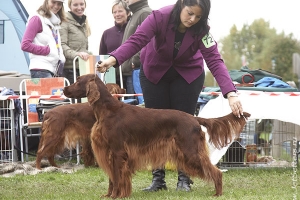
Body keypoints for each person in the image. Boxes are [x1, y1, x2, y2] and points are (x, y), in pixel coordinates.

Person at [97, 0, 244, 192]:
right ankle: (158, 180)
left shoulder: (202, 29)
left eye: (198, 16)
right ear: (181, 4)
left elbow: (214, 59)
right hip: (155, 72)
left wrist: (231, 93)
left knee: (184, 126)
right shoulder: (159, 17)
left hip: (188, 75)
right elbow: (137, 40)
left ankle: (185, 179)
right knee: (154, 126)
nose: (193, 19)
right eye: (190, 13)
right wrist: (113, 59)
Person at [21, 0, 66, 78]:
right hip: (40, 70)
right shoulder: (37, 18)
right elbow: (25, 45)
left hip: (52, 70)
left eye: (59, 4)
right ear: (47, 1)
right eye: (53, 2)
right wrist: (47, 50)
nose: (56, 6)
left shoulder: (54, 22)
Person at [119, 0, 152, 100]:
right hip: (132, 71)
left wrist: (135, 60)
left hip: (139, 69)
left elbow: (149, 40)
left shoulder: (145, 13)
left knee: (143, 105)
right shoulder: (135, 14)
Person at [99, 0, 131, 88]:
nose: (117, 14)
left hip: (130, 74)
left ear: (128, 13)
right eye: (114, 12)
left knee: (132, 100)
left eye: (120, 11)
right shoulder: (107, 33)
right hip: (112, 76)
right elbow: (102, 55)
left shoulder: (134, 30)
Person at [60, 0, 91, 84]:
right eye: (75, 5)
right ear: (70, 6)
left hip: (82, 68)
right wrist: (77, 54)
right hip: (69, 69)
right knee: (74, 97)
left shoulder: (84, 23)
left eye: (81, 4)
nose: (79, 7)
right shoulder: (64, 21)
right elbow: (61, 45)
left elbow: (83, 48)